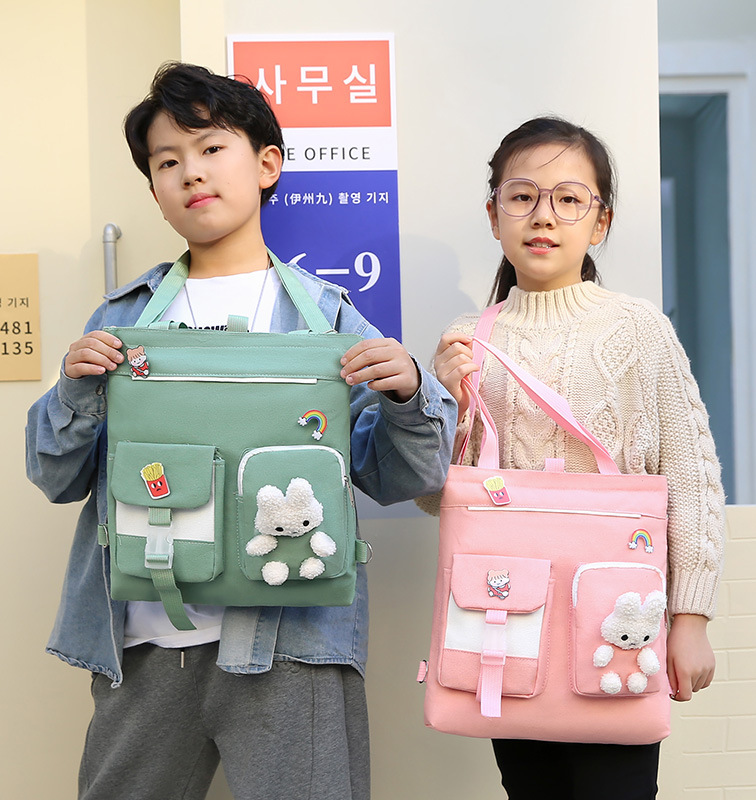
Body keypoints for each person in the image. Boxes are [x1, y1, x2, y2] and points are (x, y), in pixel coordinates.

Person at [26, 62, 457, 800]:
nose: (190, 173)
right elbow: (57, 476)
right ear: (155, 193)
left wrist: (410, 394)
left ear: (266, 165)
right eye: (167, 162)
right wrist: (73, 387)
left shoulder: (327, 317)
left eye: (210, 148)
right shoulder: (122, 318)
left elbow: (407, 477)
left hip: (296, 645)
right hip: (143, 643)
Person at [421, 117, 725, 800]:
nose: (543, 216)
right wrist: (440, 400)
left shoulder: (638, 327)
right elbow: (438, 498)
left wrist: (691, 619)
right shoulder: (469, 341)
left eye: (568, 198)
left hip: (618, 613)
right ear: (494, 214)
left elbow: (691, 475)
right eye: (522, 196)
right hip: (509, 616)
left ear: (601, 220)